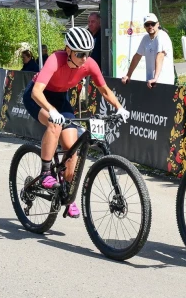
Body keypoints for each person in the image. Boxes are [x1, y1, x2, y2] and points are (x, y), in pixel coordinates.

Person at [22, 27, 129, 218]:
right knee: (54, 124)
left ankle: (67, 193)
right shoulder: (55, 59)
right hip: (38, 97)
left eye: (88, 54)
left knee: (72, 148)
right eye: (80, 54)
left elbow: (104, 89)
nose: (84, 58)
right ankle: (46, 172)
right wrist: (52, 111)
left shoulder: (89, 64)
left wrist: (119, 108)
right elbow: (36, 92)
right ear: (68, 50)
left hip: (60, 100)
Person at [122, 13, 174, 88]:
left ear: (158, 24)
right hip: (150, 83)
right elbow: (137, 57)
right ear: (144, 26)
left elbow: (160, 56)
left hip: (164, 82)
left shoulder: (162, 36)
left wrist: (155, 78)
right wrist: (128, 75)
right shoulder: (145, 39)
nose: (150, 26)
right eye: (147, 24)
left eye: (152, 24)